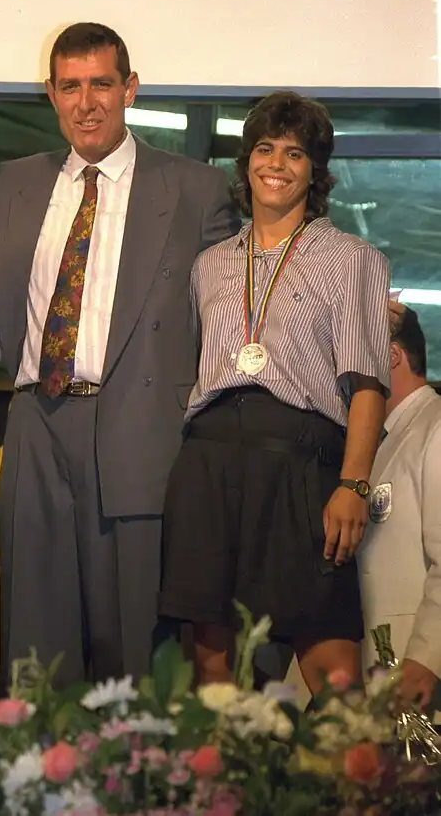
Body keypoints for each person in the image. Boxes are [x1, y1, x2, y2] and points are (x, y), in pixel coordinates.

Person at [0, 21, 238, 687]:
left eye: (101, 84)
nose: (86, 102)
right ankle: (35, 757)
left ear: (130, 88)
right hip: (35, 424)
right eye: (70, 86)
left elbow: (233, 313)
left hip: (140, 427)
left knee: (135, 650)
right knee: (34, 651)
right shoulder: (13, 182)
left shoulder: (194, 189)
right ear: (51, 93)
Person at [159, 91, 391, 694]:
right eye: (265, 149)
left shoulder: (352, 259)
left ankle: (357, 766)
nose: (277, 164)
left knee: (334, 674)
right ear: (247, 163)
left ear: (315, 171)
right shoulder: (210, 264)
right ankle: (232, 763)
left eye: (295, 153)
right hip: (209, 459)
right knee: (214, 668)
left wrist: (353, 484)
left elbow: (368, 384)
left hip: (300, 463)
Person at [360, 300, 441, 709]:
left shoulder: (436, 427)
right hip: (384, 681)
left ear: (392, 356)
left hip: (417, 680)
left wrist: (425, 659)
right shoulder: (384, 438)